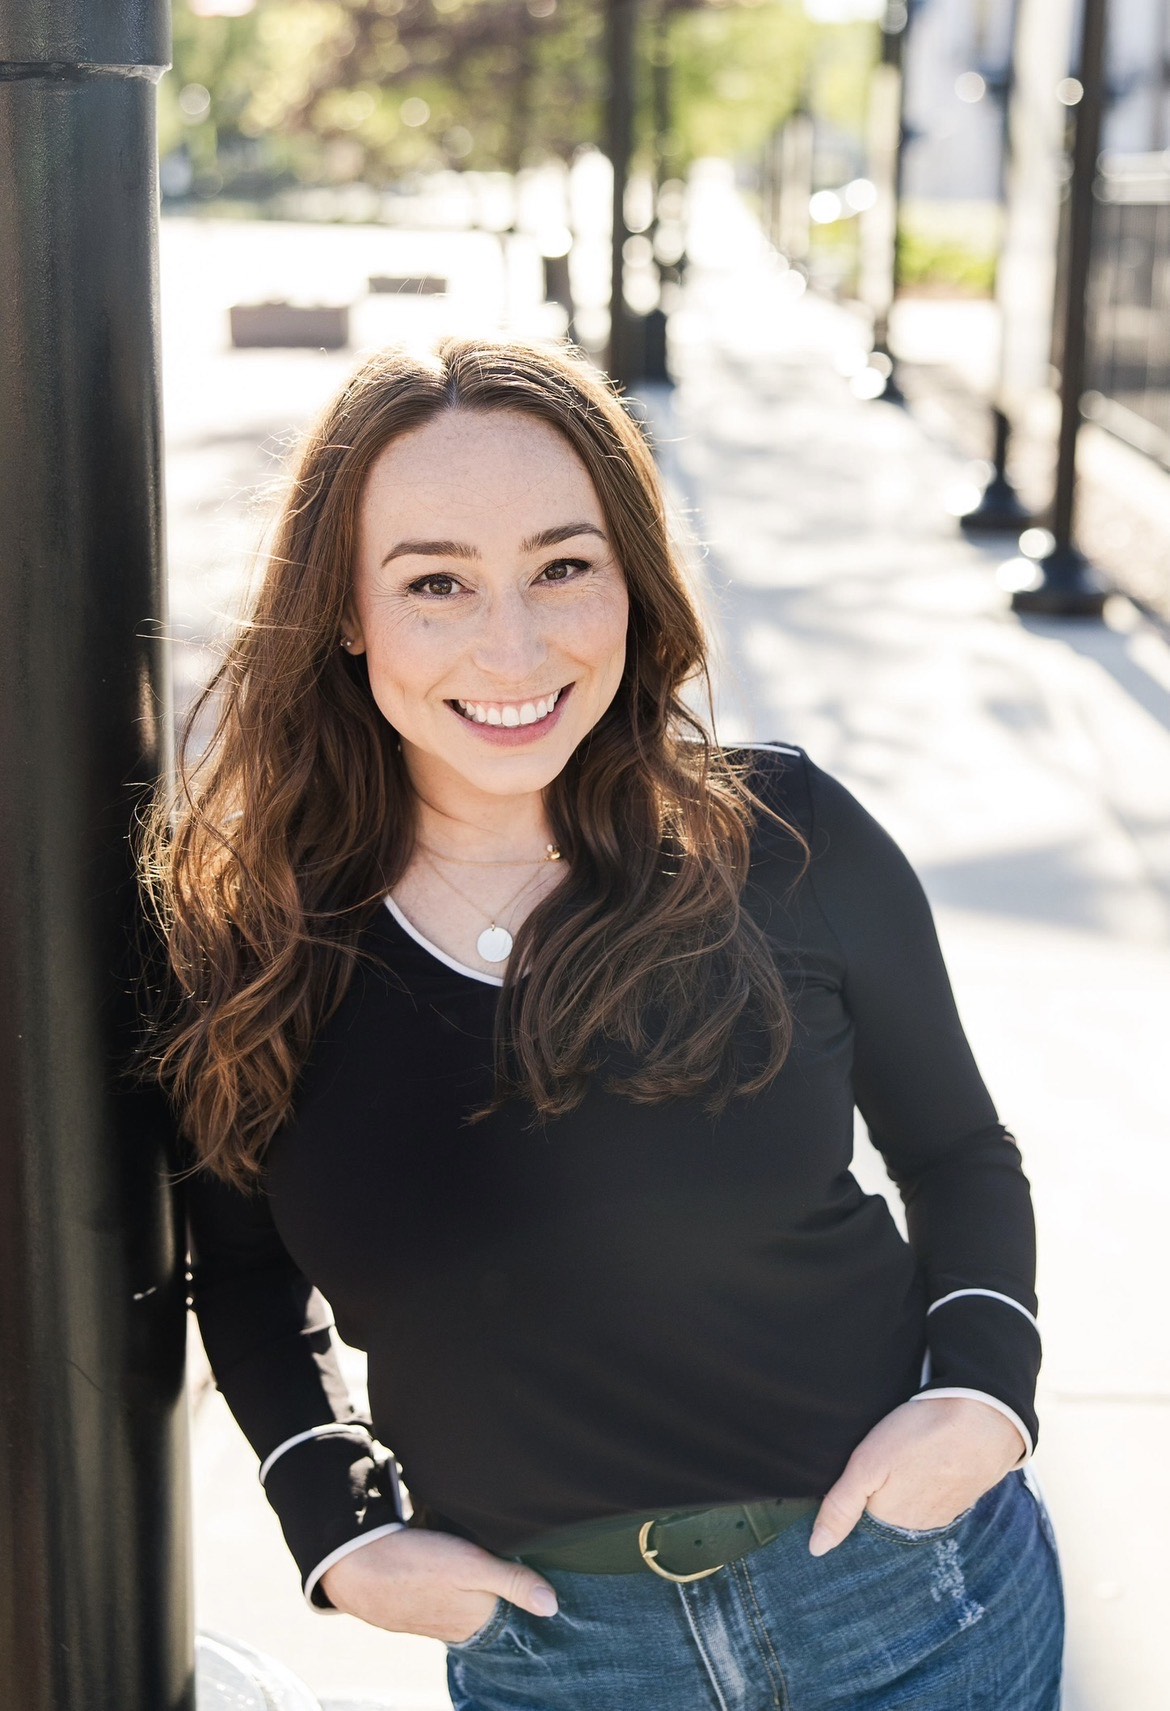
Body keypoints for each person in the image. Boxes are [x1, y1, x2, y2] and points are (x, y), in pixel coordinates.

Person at [143, 336, 1064, 1710]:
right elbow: (243, 1276)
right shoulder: (253, 938)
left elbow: (955, 1152)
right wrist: (331, 1526)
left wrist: (983, 1395)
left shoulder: (780, 838)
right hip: (560, 1658)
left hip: (913, 1603)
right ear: (345, 613)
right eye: (436, 583)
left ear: (630, 576)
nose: (512, 646)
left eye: (562, 568)